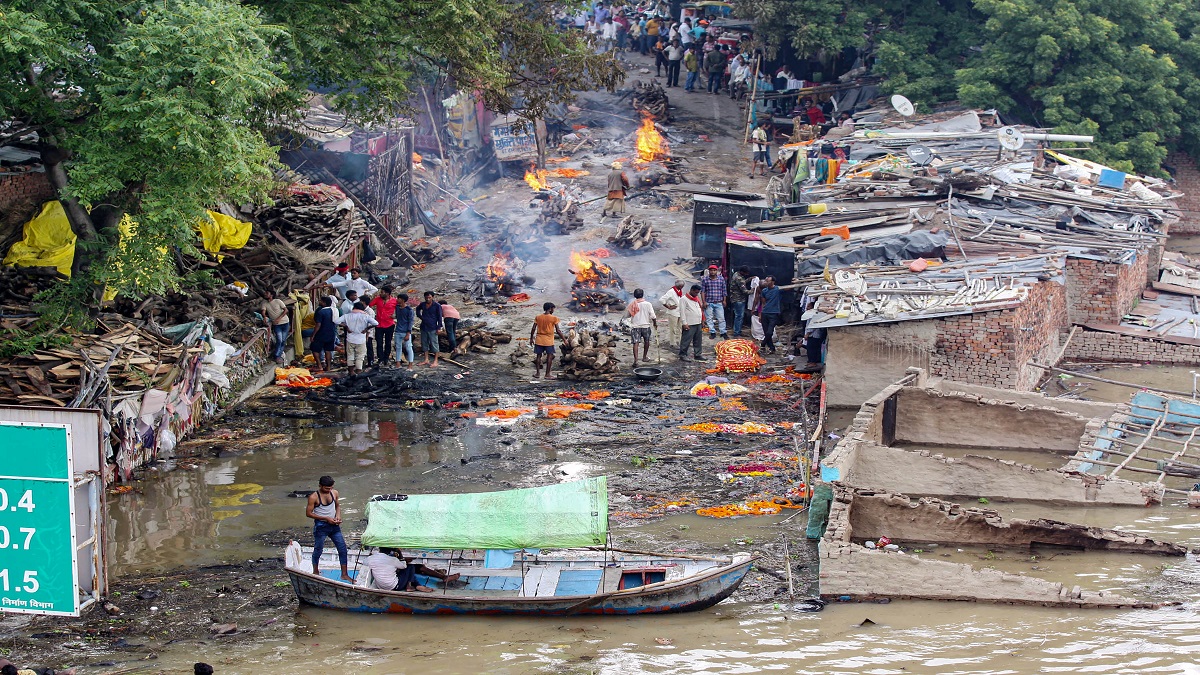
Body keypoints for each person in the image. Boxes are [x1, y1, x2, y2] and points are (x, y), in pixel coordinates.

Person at [306, 475, 351, 582]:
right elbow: (308, 513)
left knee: (343, 549)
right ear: (320, 486)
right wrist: (326, 518)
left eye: (330, 488)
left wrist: (338, 516)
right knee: (318, 549)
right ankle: (315, 571)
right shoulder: (314, 497)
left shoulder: (334, 493)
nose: (329, 490)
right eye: (326, 488)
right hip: (321, 526)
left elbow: (337, 506)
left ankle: (344, 574)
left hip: (334, 526)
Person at [338, 301, 378, 374]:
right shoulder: (365, 316)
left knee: (350, 356)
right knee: (360, 356)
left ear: (354, 308)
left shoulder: (347, 315)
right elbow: (376, 323)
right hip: (361, 339)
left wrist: (346, 326)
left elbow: (336, 321)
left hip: (350, 339)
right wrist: (366, 329)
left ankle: (351, 372)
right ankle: (359, 371)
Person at [531, 302, 567, 379]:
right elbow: (558, 331)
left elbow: (533, 328)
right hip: (549, 340)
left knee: (538, 356)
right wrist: (564, 340)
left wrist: (531, 338)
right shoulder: (554, 318)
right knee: (549, 357)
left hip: (539, 339)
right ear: (550, 309)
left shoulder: (538, 317)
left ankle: (537, 373)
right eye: (553, 308)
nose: (553, 310)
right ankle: (547, 374)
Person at [369, 285, 398, 367]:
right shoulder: (378, 299)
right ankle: (380, 358)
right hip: (379, 325)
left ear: (387, 293)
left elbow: (400, 309)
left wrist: (395, 316)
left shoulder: (394, 301)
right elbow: (370, 305)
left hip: (389, 324)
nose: (380, 294)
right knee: (379, 342)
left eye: (382, 292)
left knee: (388, 342)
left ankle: (386, 358)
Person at [627, 288, 657, 367]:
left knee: (635, 343)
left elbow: (628, 315)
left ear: (634, 295)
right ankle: (644, 357)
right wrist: (655, 324)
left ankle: (636, 361)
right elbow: (653, 316)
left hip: (635, 326)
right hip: (645, 326)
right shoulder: (648, 304)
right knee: (646, 341)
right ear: (643, 295)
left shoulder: (632, 304)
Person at [261, 289, 290, 364]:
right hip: (276, 325)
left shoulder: (278, 301)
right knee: (279, 340)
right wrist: (264, 316)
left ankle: (278, 355)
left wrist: (278, 318)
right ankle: (277, 356)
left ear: (271, 295)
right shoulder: (264, 303)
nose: (265, 294)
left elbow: (286, 310)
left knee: (283, 340)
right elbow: (263, 311)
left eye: (267, 292)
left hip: (285, 322)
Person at [700, 264, 728, 339]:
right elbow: (702, 291)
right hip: (709, 302)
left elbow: (724, 290)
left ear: (716, 271)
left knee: (721, 318)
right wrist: (704, 302)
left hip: (719, 302)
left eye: (714, 270)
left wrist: (724, 300)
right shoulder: (705, 279)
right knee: (709, 318)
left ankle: (723, 332)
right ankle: (712, 332)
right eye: (711, 270)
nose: (712, 272)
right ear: (709, 271)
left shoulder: (721, 279)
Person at [678, 284, 705, 361]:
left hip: (698, 322)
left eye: (698, 292)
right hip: (689, 323)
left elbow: (700, 309)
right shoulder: (684, 299)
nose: (697, 294)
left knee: (698, 340)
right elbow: (682, 312)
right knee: (686, 340)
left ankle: (698, 354)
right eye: (696, 292)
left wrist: (702, 321)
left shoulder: (696, 298)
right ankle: (683, 355)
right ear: (692, 290)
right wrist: (684, 323)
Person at [310, 296, 337, 372]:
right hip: (331, 333)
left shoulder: (321, 312)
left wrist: (313, 335)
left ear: (324, 303)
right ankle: (328, 367)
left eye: (321, 301)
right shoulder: (334, 310)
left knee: (314, 349)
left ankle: (319, 366)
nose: (319, 302)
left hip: (321, 333)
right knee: (328, 350)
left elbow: (318, 324)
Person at [418, 291, 443, 367]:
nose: (428, 299)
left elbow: (439, 317)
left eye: (429, 297)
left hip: (433, 327)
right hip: (424, 327)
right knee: (424, 343)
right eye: (426, 297)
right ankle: (426, 359)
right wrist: (421, 317)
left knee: (434, 344)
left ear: (432, 297)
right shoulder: (422, 304)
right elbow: (417, 310)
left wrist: (439, 327)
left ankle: (436, 361)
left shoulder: (437, 305)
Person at [758, 276, 782, 354]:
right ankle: (772, 348)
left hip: (774, 313)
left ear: (773, 282)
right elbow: (763, 303)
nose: (766, 283)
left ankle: (763, 344)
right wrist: (760, 314)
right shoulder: (764, 291)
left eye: (768, 281)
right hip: (765, 313)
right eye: (766, 281)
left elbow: (789, 288)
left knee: (769, 332)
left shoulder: (777, 289)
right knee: (766, 332)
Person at [658, 279, 685, 348]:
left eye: (682, 286)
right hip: (673, 313)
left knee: (680, 328)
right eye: (681, 286)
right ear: (677, 285)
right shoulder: (671, 291)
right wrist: (668, 307)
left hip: (679, 312)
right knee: (673, 329)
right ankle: (673, 343)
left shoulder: (679, 291)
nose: (682, 287)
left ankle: (680, 341)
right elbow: (661, 299)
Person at [394, 292, 415, 368]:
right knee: (398, 347)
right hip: (398, 330)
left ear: (402, 300)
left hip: (405, 331)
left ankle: (410, 364)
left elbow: (411, 322)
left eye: (398, 298)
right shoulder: (397, 308)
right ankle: (398, 363)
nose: (397, 300)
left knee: (408, 347)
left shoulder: (409, 310)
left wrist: (408, 333)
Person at [728, 267, 752, 336]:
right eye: (746, 273)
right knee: (739, 316)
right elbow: (745, 291)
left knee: (739, 316)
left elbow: (742, 282)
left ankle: (738, 331)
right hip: (739, 299)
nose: (747, 274)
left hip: (736, 299)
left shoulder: (736, 274)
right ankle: (736, 332)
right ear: (742, 272)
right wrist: (753, 290)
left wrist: (749, 279)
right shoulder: (739, 278)